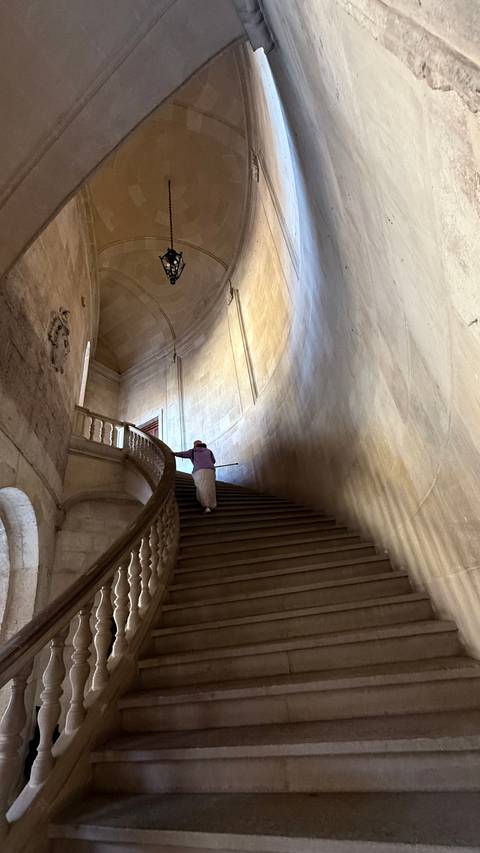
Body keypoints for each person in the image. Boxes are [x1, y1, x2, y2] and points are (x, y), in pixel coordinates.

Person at [174, 440, 217, 513]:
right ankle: (212, 504)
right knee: (211, 487)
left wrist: (174, 454)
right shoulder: (208, 451)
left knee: (201, 487)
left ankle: (206, 506)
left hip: (199, 471)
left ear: (195, 445)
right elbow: (213, 461)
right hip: (210, 470)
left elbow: (183, 454)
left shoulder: (193, 451)